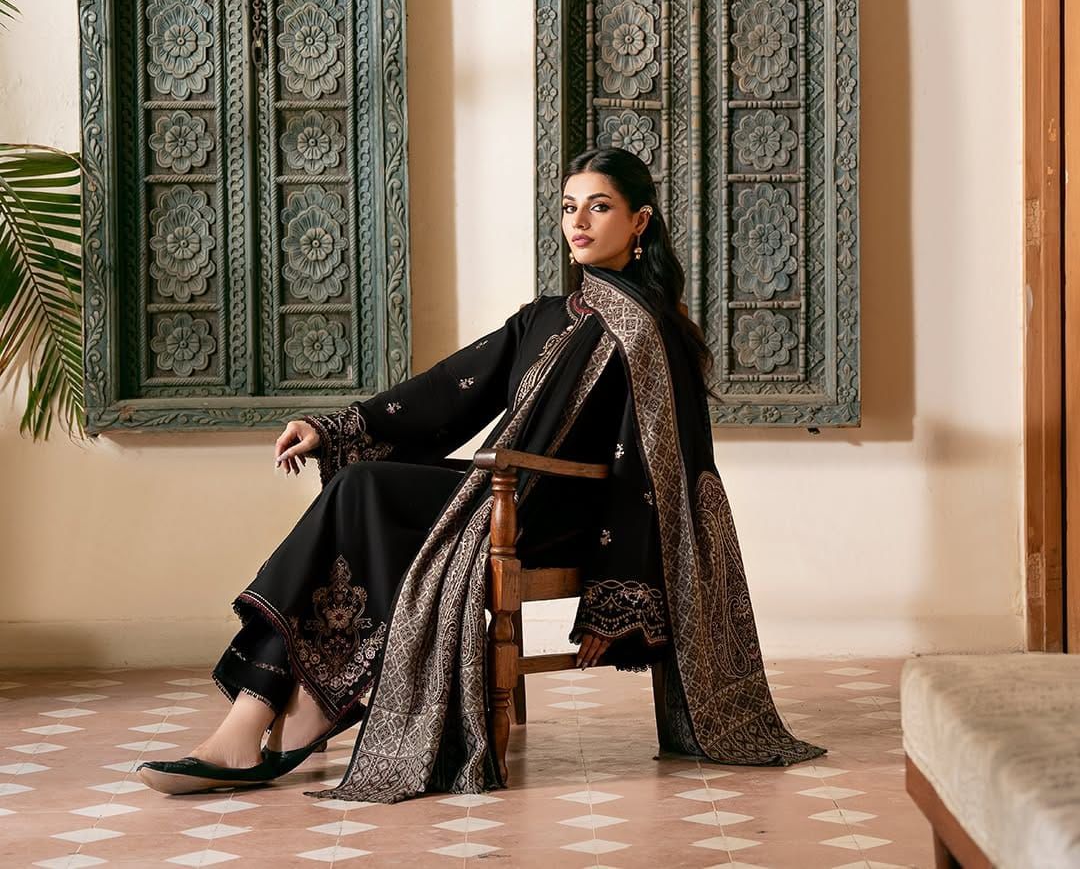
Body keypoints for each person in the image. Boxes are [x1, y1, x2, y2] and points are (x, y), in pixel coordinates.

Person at [138, 148, 825, 801]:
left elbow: (655, 475)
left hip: (564, 521)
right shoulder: (548, 317)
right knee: (358, 489)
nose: (578, 224)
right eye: (568, 208)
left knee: (361, 493)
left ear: (639, 222)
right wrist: (335, 426)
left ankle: (297, 710)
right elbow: (449, 391)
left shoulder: (648, 333)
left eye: (599, 208)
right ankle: (257, 720)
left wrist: (618, 597)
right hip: (499, 495)